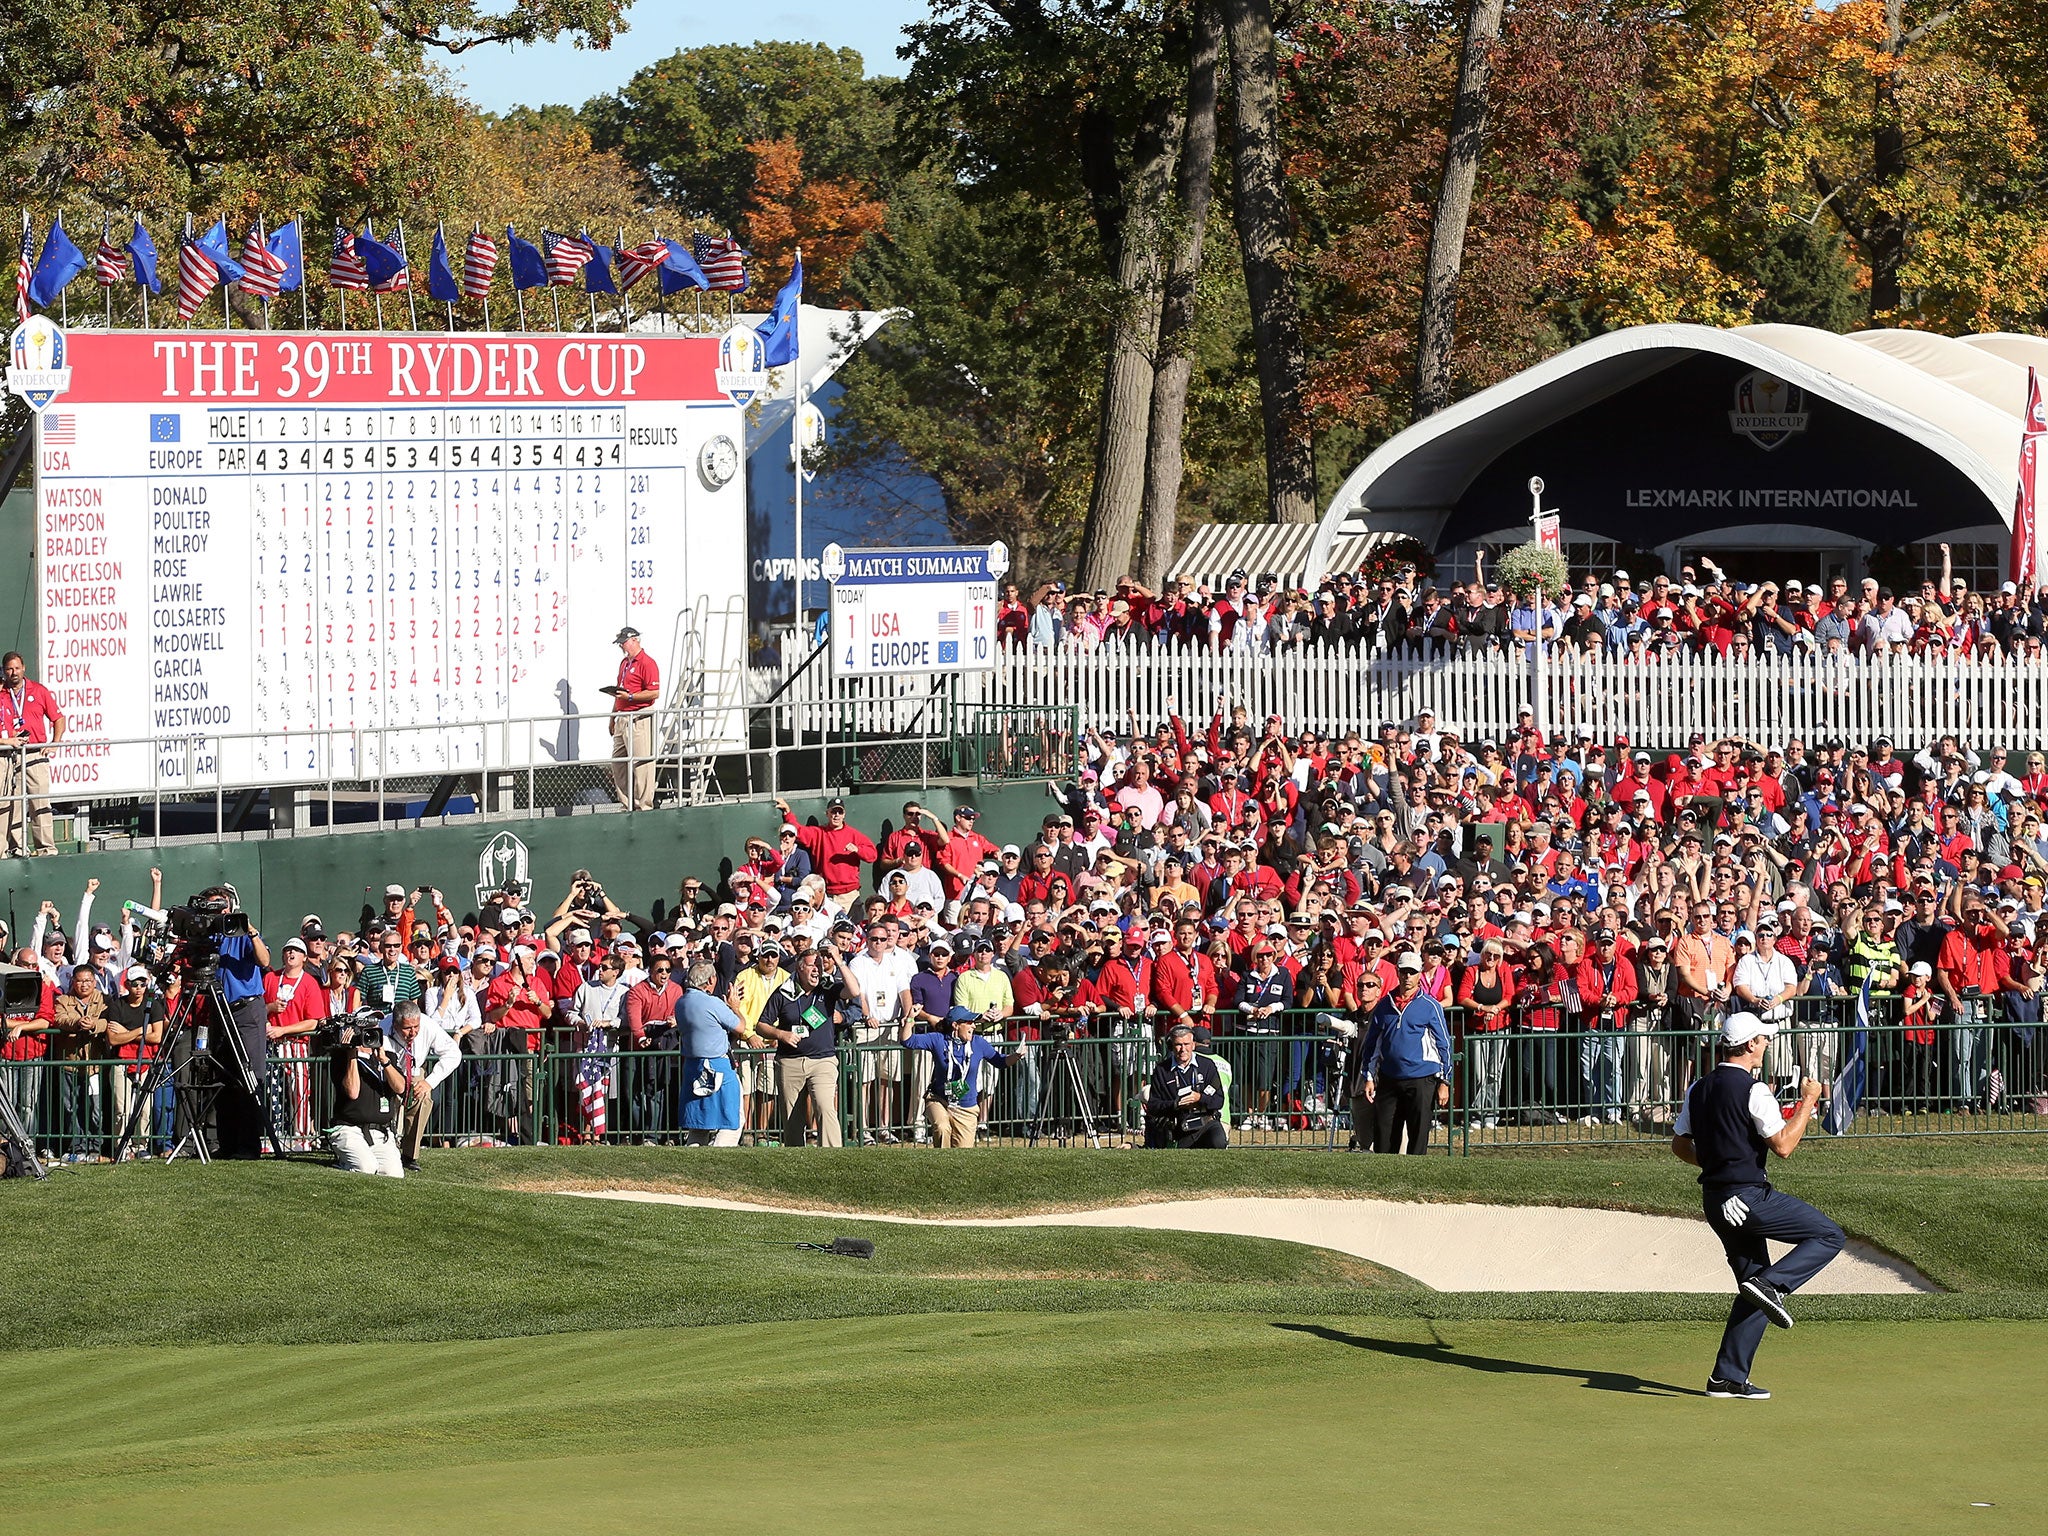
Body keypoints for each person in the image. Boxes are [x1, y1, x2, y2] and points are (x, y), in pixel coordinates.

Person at [1672, 1011, 1842, 1399]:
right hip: (1747, 1198)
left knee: (1752, 1289)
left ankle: (1726, 1377)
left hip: (1716, 1201)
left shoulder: (1698, 1087)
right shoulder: (1753, 1089)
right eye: (1763, 1040)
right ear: (1750, 1045)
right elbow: (1783, 1146)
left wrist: (1716, 1164)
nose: (1765, 1045)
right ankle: (1774, 1285)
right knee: (1829, 1235)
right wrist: (1809, 1102)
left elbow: (1680, 1145)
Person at [756, 946, 857, 1147]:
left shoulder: (828, 988)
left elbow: (854, 991)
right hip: (790, 1062)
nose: (817, 970)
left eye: (820, 966)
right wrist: (780, 1034)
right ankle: (796, 1157)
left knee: (824, 1106)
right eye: (812, 965)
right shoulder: (783, 992)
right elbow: (761, 1025)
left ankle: (833, 1155)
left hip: (823, 1061)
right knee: (792, 1116)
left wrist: (838, 961)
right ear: (800, 968)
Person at [1357, 951, 1453, 1154]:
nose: (1407, 977)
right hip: (1389, 1077)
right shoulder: (1384, 1005)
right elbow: (1372, 1044)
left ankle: (1416, 1178)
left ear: (1419, 974)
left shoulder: (1431, 1006)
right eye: (1404, 972)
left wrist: (1444, 1082)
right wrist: (1368, 1077)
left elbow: (1443, 1044)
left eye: (1412, 972)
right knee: (1384, 1134)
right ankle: (1385, 1177)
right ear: (1397, 972)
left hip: (1422, 1077)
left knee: (1418, 1134)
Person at [899, 1004, 1016, 1147]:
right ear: (955, 1025)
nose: (973, 1026)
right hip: (939, 1100)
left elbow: (1001, 1061)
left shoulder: (978, 1043)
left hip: (966, 1108)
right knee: (942, 1127)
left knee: (963, 1154)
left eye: (974, 1022)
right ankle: (940, 1166)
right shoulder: (938, 1040)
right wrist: (911, 1017)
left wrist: (1017, 1055)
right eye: (969, 1022)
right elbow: (907, 1041)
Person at [0, 650, 66, 857]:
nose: (14, 672)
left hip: (35, 754)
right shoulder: (2, 693)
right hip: (9, 755)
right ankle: (18, 848)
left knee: (40, 802)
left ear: (24, 669)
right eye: (9, 669)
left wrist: (55, 743)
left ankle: (46, 849)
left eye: (17, 668)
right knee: (14, 805)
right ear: (4, 671)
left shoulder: (38, 691)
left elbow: (58, 718)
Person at [384, 999, 462, 1171]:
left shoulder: (427, 1024)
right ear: (395, 1025)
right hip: (387, 1071)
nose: (413, 1032)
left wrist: (430, 1082)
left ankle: (409, 1155)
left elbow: (453, 1053)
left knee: (423, 1099)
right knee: (387, 1107)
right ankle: (385, 1149)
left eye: (416, 1027)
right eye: (407, 1028)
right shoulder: (383, 1028)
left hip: (415, 1070)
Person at [327, 1012, 407, 1177]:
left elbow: (400, 1088)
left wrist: (384, 1061)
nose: (373, 1030)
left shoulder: (388, 1057)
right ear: (356, 1030)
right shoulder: (342, 1058)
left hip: (380, 1132)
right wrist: (351, 1054)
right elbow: (353, 1092)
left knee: (394, 1174)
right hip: (349, 1129)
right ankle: (341, 1163)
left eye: (376, 1025)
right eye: (367, 1027)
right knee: (366, 1168)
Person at [676, 961, 745, 1145]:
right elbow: (740, 1027)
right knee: (733, 1120)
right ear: (711, 980)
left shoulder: (681, 1002)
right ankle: (719, 1156)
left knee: (699, 1123)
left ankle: (694, 1163)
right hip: (718, 1067)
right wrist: (734, 1007)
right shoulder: (712, 1002)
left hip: (693, 1067)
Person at [1143, 1023, 1228, 1147]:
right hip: (1178, 1126)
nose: (1183, 1049)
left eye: (1186, 1044)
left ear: (1193, 1045)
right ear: (1171, 1046)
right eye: (1178, 1045)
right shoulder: (1162, 1070)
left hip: (1206, 1123)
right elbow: (1153, 1106)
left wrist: (1199, 1098)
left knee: (1218, 1142)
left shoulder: (1207, 1065)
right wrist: (1176, 1104)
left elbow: (1219, 1100)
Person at [607, 625, 661, 811]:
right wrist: (613, 717)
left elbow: (653, 692)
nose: (622, 646)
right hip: (623, 716)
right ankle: (627, 803)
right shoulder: (624, 663)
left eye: (624, 642)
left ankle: (643, 805)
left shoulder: (647, 662)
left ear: (635, 640)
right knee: (618, 763)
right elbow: (619, 691)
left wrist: (630, 697)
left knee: (641, 763)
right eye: (620, 643)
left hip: (638, 717)